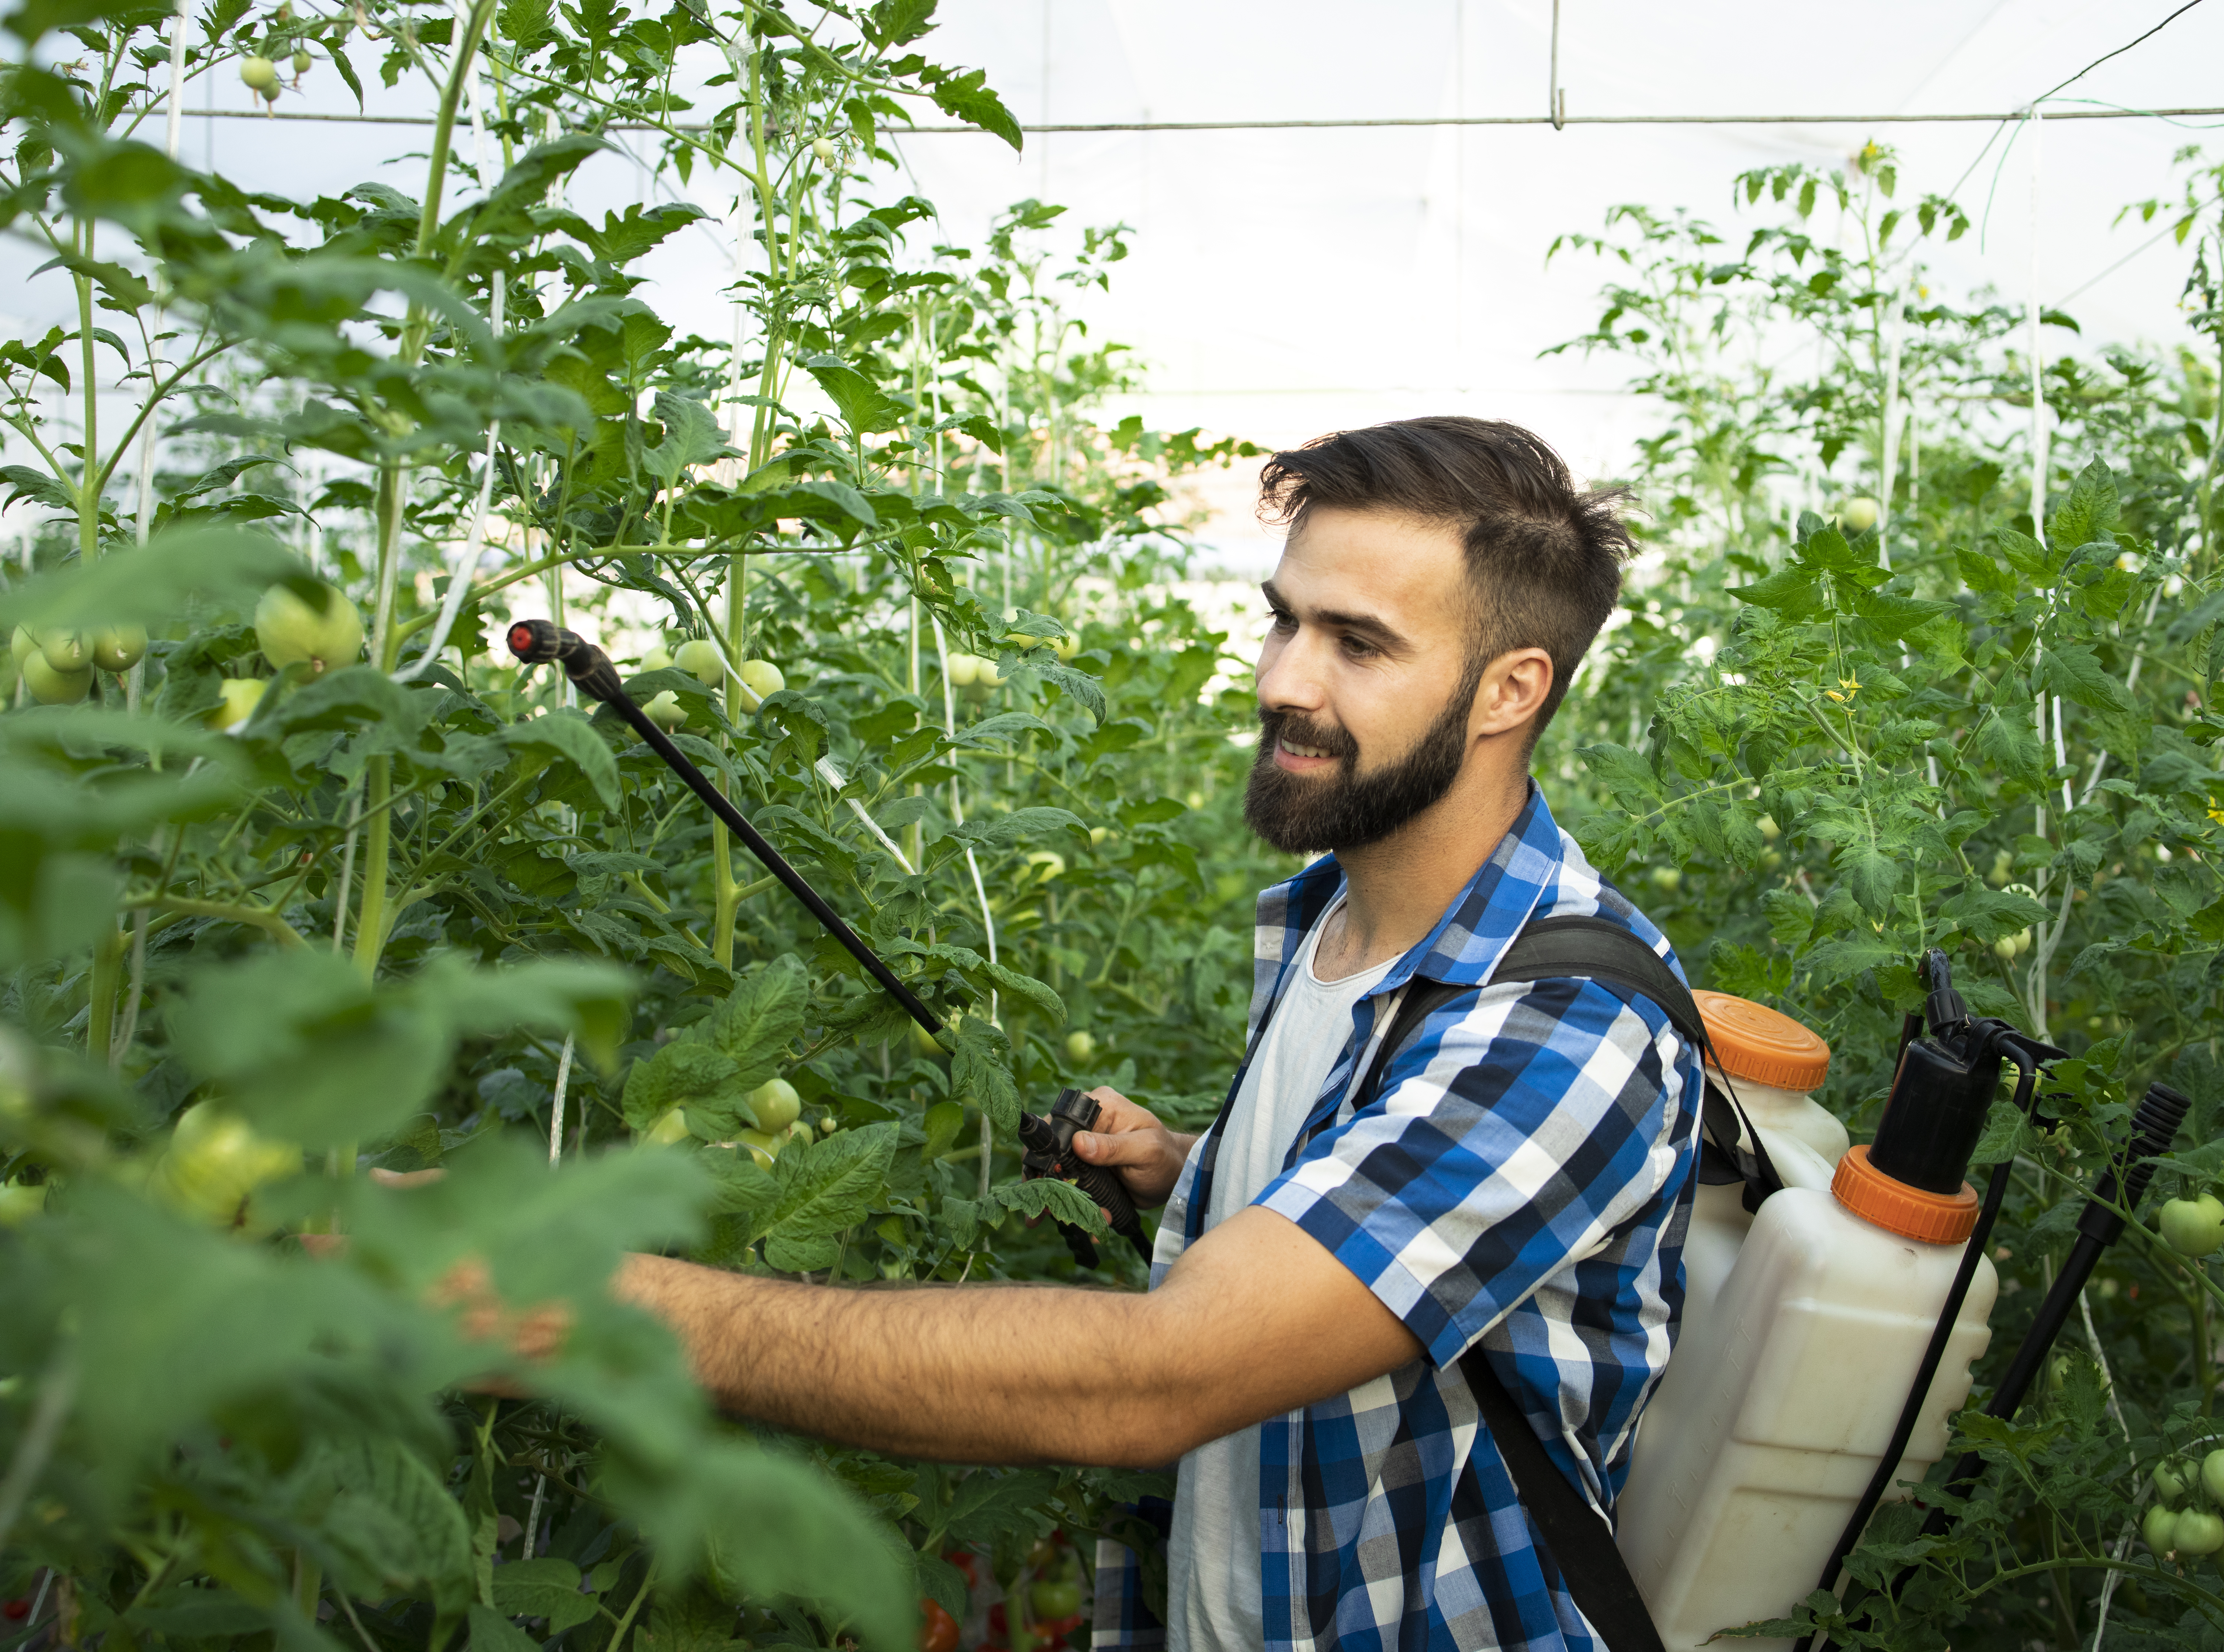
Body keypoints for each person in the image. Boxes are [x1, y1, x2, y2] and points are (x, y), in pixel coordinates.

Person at [617, 416, 1705, 1652]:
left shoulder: (1566, 1024)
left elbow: (1157, 1379)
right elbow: (1401, 1225)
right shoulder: (1334, 921)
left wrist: (590, 1307)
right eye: (1286, 619)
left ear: (1511, 689)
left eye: (1358, 644)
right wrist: (1193, 1175)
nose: (1284, 680)